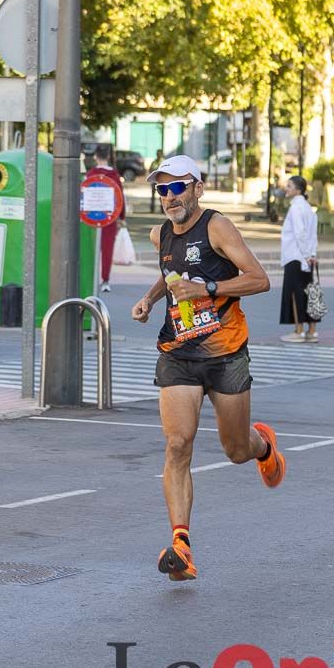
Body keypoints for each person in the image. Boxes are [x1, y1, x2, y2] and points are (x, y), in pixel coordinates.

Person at [131, 154, 287, 582]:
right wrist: (150, 298)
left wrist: (208, 287)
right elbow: (172, 272)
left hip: (225, 352)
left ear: (198, 188)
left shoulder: (217, 226)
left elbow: (259, 279)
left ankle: (263, 446)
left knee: (235, 450)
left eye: (178, 186)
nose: (169, 196)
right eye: (162, 189)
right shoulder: (160, 232)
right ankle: (181, 545)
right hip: (178, 352)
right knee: (178, 445)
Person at [278, 175, 319, 343]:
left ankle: (299, 331)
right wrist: (312, 254)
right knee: (309, 292)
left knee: (295, 294)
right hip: (307, 258)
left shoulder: (296, 208)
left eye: (289, 186)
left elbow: (300, 233)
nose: (286, 188)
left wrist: (306, 254)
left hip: (295, 256)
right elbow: (313, 234)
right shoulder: (308, 207)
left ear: (298, 190)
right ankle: (312, 331)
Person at [87, 145, 125, 292]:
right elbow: (120, 197)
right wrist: (121, 216)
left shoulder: (91, 174)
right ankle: (105, 280)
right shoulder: (114, 175)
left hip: (91, 217)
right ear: (108, 157)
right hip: (110, 216)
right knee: (107, 249)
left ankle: (91, 278)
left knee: (91, 248)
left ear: (96, 156)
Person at [148, 148, 164, 213]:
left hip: (161, 182)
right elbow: (150, 170)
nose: (158, 155)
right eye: (157, 154)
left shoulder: (164, 162)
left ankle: (162, 210)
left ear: (162, 154)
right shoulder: (154, 162)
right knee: (153, 196)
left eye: (159, 154)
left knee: (162, 195)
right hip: (154, 181)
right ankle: (152, 209)